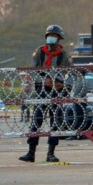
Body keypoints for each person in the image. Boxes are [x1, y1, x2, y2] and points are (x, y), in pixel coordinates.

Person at [19, 24, 68, 163]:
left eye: (54, 36)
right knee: (36, 120)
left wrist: (60, 83)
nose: (51, 38)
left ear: (59, 39)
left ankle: (51, 153)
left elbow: (66, 71)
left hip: (57, 89)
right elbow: (32, 71)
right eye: (49, 36)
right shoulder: (39, 52)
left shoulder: (63, 55)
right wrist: (43, 81)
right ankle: (31, 152)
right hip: (42, 89)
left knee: (56, 121)